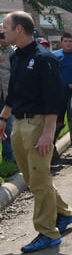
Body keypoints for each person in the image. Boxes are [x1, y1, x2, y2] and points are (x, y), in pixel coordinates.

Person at [0, 12, 72, 253]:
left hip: (38, 125)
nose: (2, 31)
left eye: (5, 27)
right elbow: (13, 92)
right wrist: (3, 117)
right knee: (35, 178)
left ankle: (47, 231)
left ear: (19, 29)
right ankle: (65, 213)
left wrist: (48, 133)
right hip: (19, 123)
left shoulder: (44, 58)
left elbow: (54, 98)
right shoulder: (16, 56)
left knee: (39, 179)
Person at [0, 28, 15, 163]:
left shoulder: (14, 51)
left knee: (8, 127)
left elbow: (16, 70)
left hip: (8, 96)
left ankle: (9, 158)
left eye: (5, 35)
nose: (3, 38)